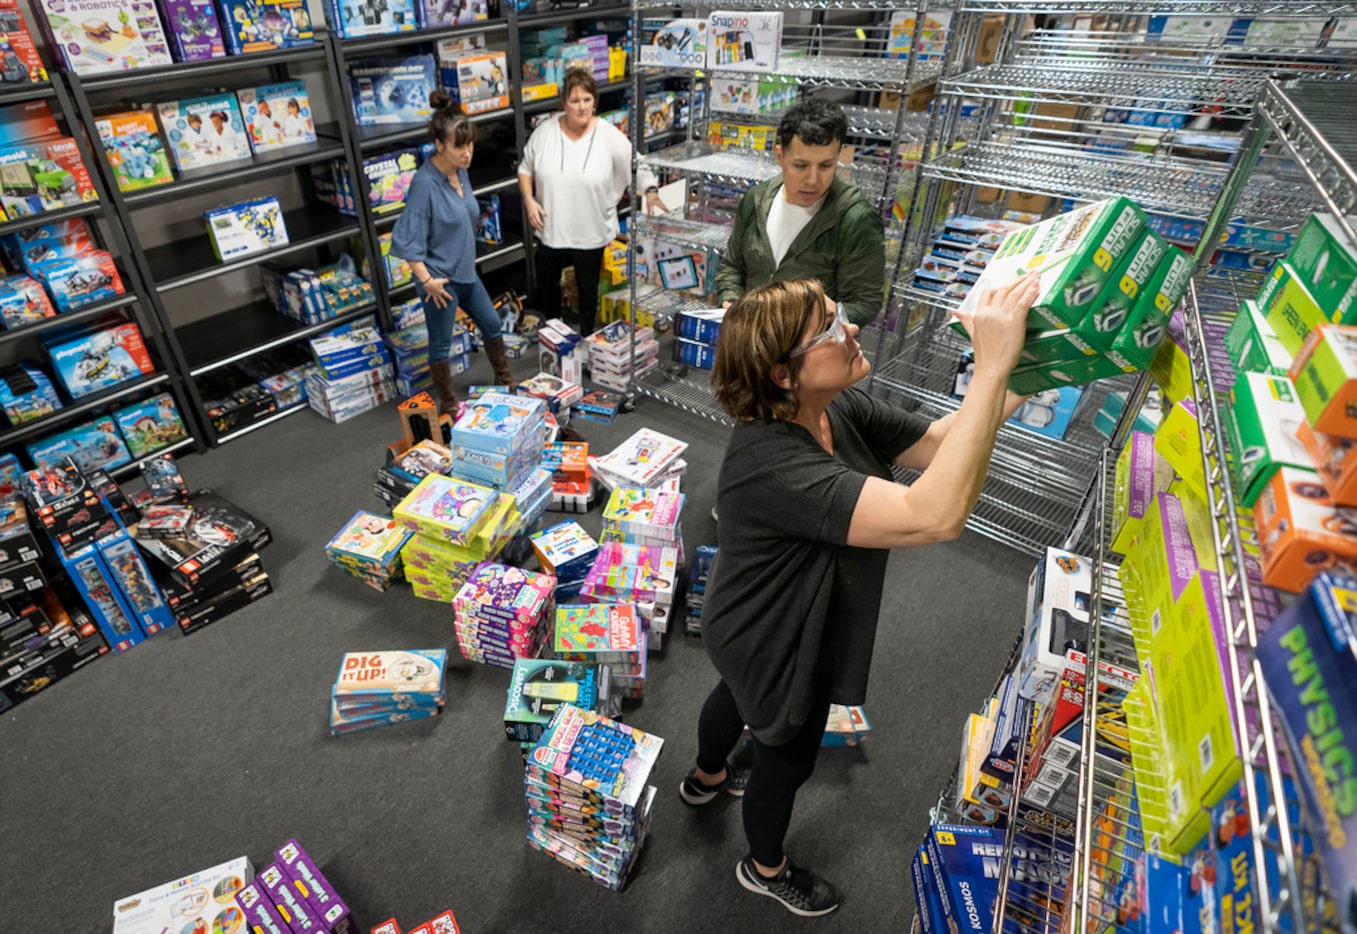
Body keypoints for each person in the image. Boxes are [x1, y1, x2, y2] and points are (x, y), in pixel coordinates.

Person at [679, 274, 1039, 917]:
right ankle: (764, 865)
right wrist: (989, 371)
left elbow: (935, 445)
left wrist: (1026, 376)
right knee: (783, 759)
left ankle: (704, 778)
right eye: (829, 328)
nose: (852, 329)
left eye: (840, 313)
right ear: (784, 374)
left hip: (752, 617)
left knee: (736, 698)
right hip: (772, 636)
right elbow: (935, 515)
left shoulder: (833, 407)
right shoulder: (773, 462)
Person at [392, 91, 514, 414]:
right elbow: (407, 241)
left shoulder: (460, 171)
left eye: (470, 144)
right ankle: (448, 404)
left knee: (492, 324)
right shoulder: (423, 184)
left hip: (466, 272)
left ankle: (505, 381)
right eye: (460, 146)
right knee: (441, 344)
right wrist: (427, 280)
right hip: (439, 282)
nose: (468, 152)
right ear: (439, 144)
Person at [518, 68, 665, 336]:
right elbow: (525, 168)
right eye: (574, 101)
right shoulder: (545, 132)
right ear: (563, 103)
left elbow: (636, 165)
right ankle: (553, 338)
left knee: (588, 289)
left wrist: (651, 191)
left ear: (594, 101)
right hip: (552, 228)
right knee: (548, 287)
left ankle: (587, 340)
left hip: (591, 230)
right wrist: (529, 200)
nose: (581, 107)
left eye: (587, 99)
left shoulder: (608, 135)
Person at [714, 99, 885, 328]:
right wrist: (730, 304)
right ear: (779, 156)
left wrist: (817, 319)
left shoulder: (855, 219)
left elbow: (865, 302)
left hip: (806, 355)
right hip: (749, 343)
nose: (813, 180)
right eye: (800, 166)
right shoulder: (756, 200)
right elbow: (732, 266)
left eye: (826, 166)